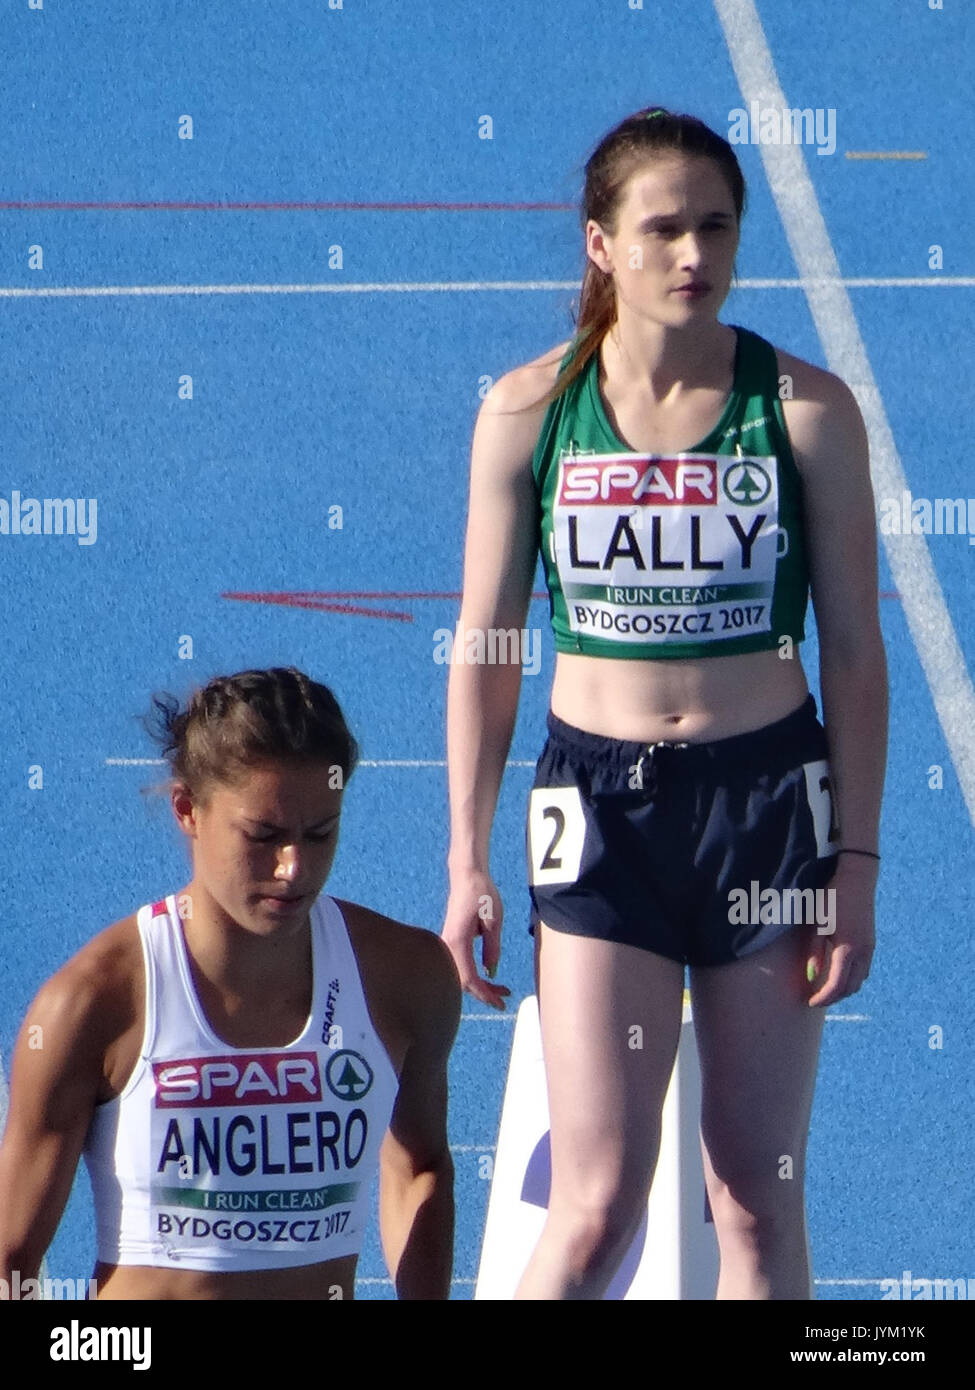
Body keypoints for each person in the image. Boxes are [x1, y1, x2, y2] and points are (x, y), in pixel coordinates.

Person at [441, 107, 887, 1300]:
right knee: (595, 1202)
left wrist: (856, 858)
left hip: (766, 806)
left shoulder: (805, 413)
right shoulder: (530, 412)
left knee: (755, 1194)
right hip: (596, 811)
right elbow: (489, 644)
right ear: (599, 243)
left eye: (717, 228)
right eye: (664, 229)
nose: (695, 255)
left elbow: (854, 649)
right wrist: (464, 857)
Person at [0, 667, 460, 1300]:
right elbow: (12, 1255)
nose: (293, 868)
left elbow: (419, 1168)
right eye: (264, 836)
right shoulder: (92, 1004)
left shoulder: (407, 978)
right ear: (188, 810)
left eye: (320, 834)